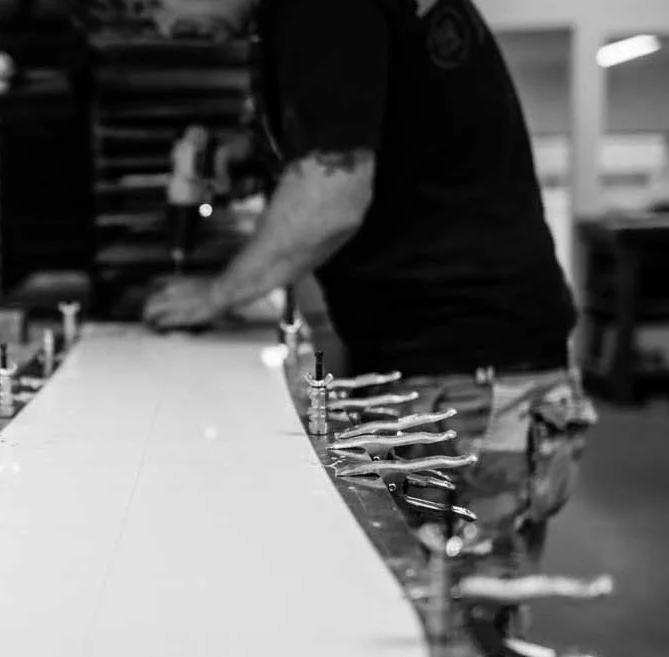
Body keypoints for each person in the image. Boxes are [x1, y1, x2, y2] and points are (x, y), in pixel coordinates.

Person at [141, 0, 599, 588]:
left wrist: (215, 294)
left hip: (468, 375)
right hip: (457, 362)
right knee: (423, 602)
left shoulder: (317, 7)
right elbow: (383, 130)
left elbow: (331, 196)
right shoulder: (306, 18)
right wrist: (253, 155)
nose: (161, 25)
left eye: (149, 2)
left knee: (449, 613)